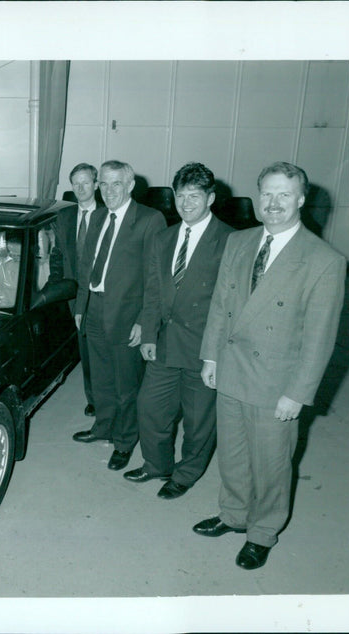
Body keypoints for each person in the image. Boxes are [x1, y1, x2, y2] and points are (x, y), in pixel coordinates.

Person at [195, 162, 346, 570]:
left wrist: (297, 393)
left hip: (275, 383)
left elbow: (320, 339)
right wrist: (210, 356)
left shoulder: (323, 260)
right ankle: (233, 514)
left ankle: (262, 532)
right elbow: (221, 305)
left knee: (272, 464)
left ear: (301, 199)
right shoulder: (240, 242)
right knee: (232, 454)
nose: (273, 203)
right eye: (267, 194)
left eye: (284, 195)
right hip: (230, 368)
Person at [124, 163, 233, 499]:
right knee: (150, 407)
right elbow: (153, 291)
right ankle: (157, 464)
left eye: (195, 196)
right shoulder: (163, 237)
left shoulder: (230, 240)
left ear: (210, 198)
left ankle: (186, 474)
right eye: (180, 195)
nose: (186, 203)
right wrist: (149, 336)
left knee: (199, 421)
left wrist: (215, 355)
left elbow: (230, 305)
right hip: (166, 344)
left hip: (205, 350)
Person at [73, 160, 166, 470]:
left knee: (126, 385)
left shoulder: (150, 220)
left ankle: (125, 441)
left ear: (130, 186)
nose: (109, 190)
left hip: (128, 315)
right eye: (104, 183)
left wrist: (145, 320)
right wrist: (80, 307)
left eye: (116, 184)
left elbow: (156, 278)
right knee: (100, 379)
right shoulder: (98, 216)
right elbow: (87, 267)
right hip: (94, 309)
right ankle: (103, 428)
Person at [52, 163, 104, 419]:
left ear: (96, 184)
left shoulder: (107, 215)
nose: (81, 188)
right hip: (75, 295)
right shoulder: (64, 216)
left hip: (103, 294)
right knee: (84, 348)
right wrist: (56, 286)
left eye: (86, 182)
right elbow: (58, 255)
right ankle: (93, 398)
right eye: (76, 183)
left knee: (103, 350)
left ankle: (109, 397)